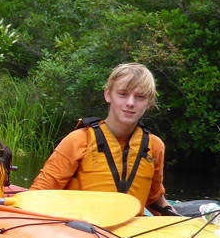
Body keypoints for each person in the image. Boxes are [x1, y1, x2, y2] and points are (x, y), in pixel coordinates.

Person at [29, 62, 174, 212]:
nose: (130, 103)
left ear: (149, 102)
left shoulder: (155, 146)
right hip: (80, 224)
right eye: (123, 94)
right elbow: (37, 195)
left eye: (140, 97)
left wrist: (181, 221)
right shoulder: (78, 140)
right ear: (108, 95)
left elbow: (155, 200)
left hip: (132, 226)